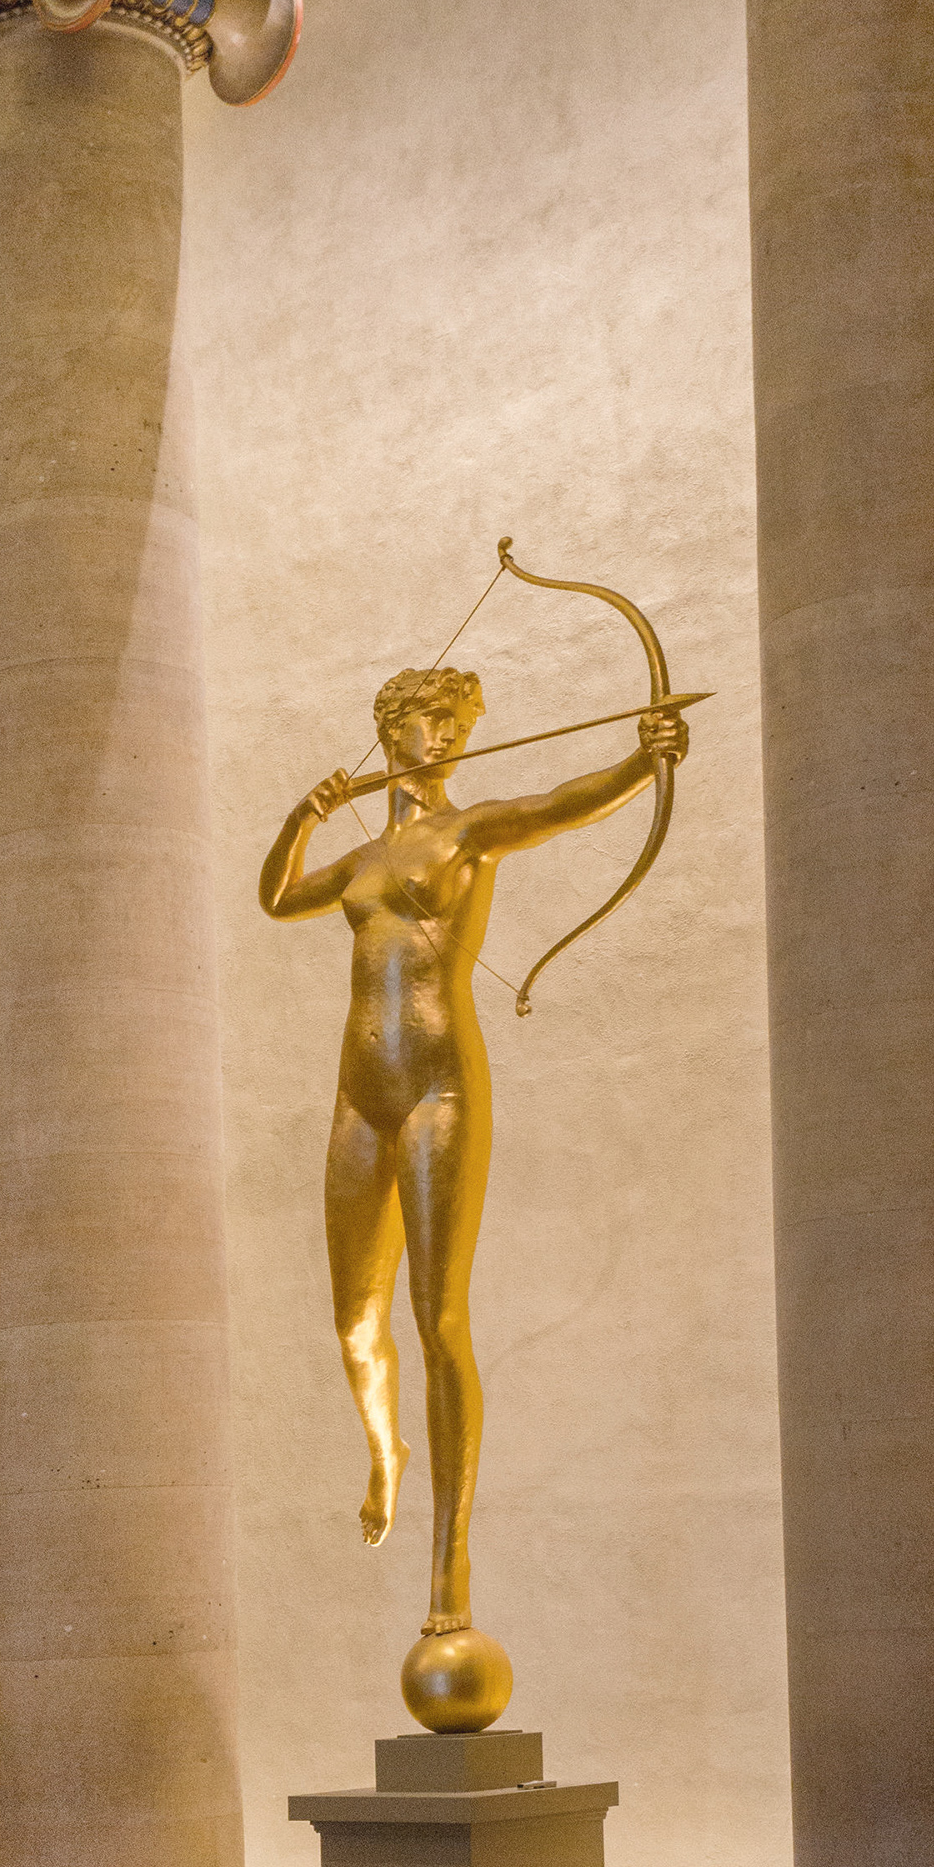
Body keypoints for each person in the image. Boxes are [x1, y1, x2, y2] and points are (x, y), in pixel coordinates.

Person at [260, 663, 688, 1636]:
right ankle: (386, 1453)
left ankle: (448, 1561)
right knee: (353, 1323)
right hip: (357, 1099)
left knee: (435, 1316)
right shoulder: (361, 862)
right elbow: (279, 896)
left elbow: (559, 804)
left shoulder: (470, 831)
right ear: (391, 731)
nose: (445, 736)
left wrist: (640, 758)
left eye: (456, 723)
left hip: (437, 1088)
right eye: (428, 721)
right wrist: (304, 815)